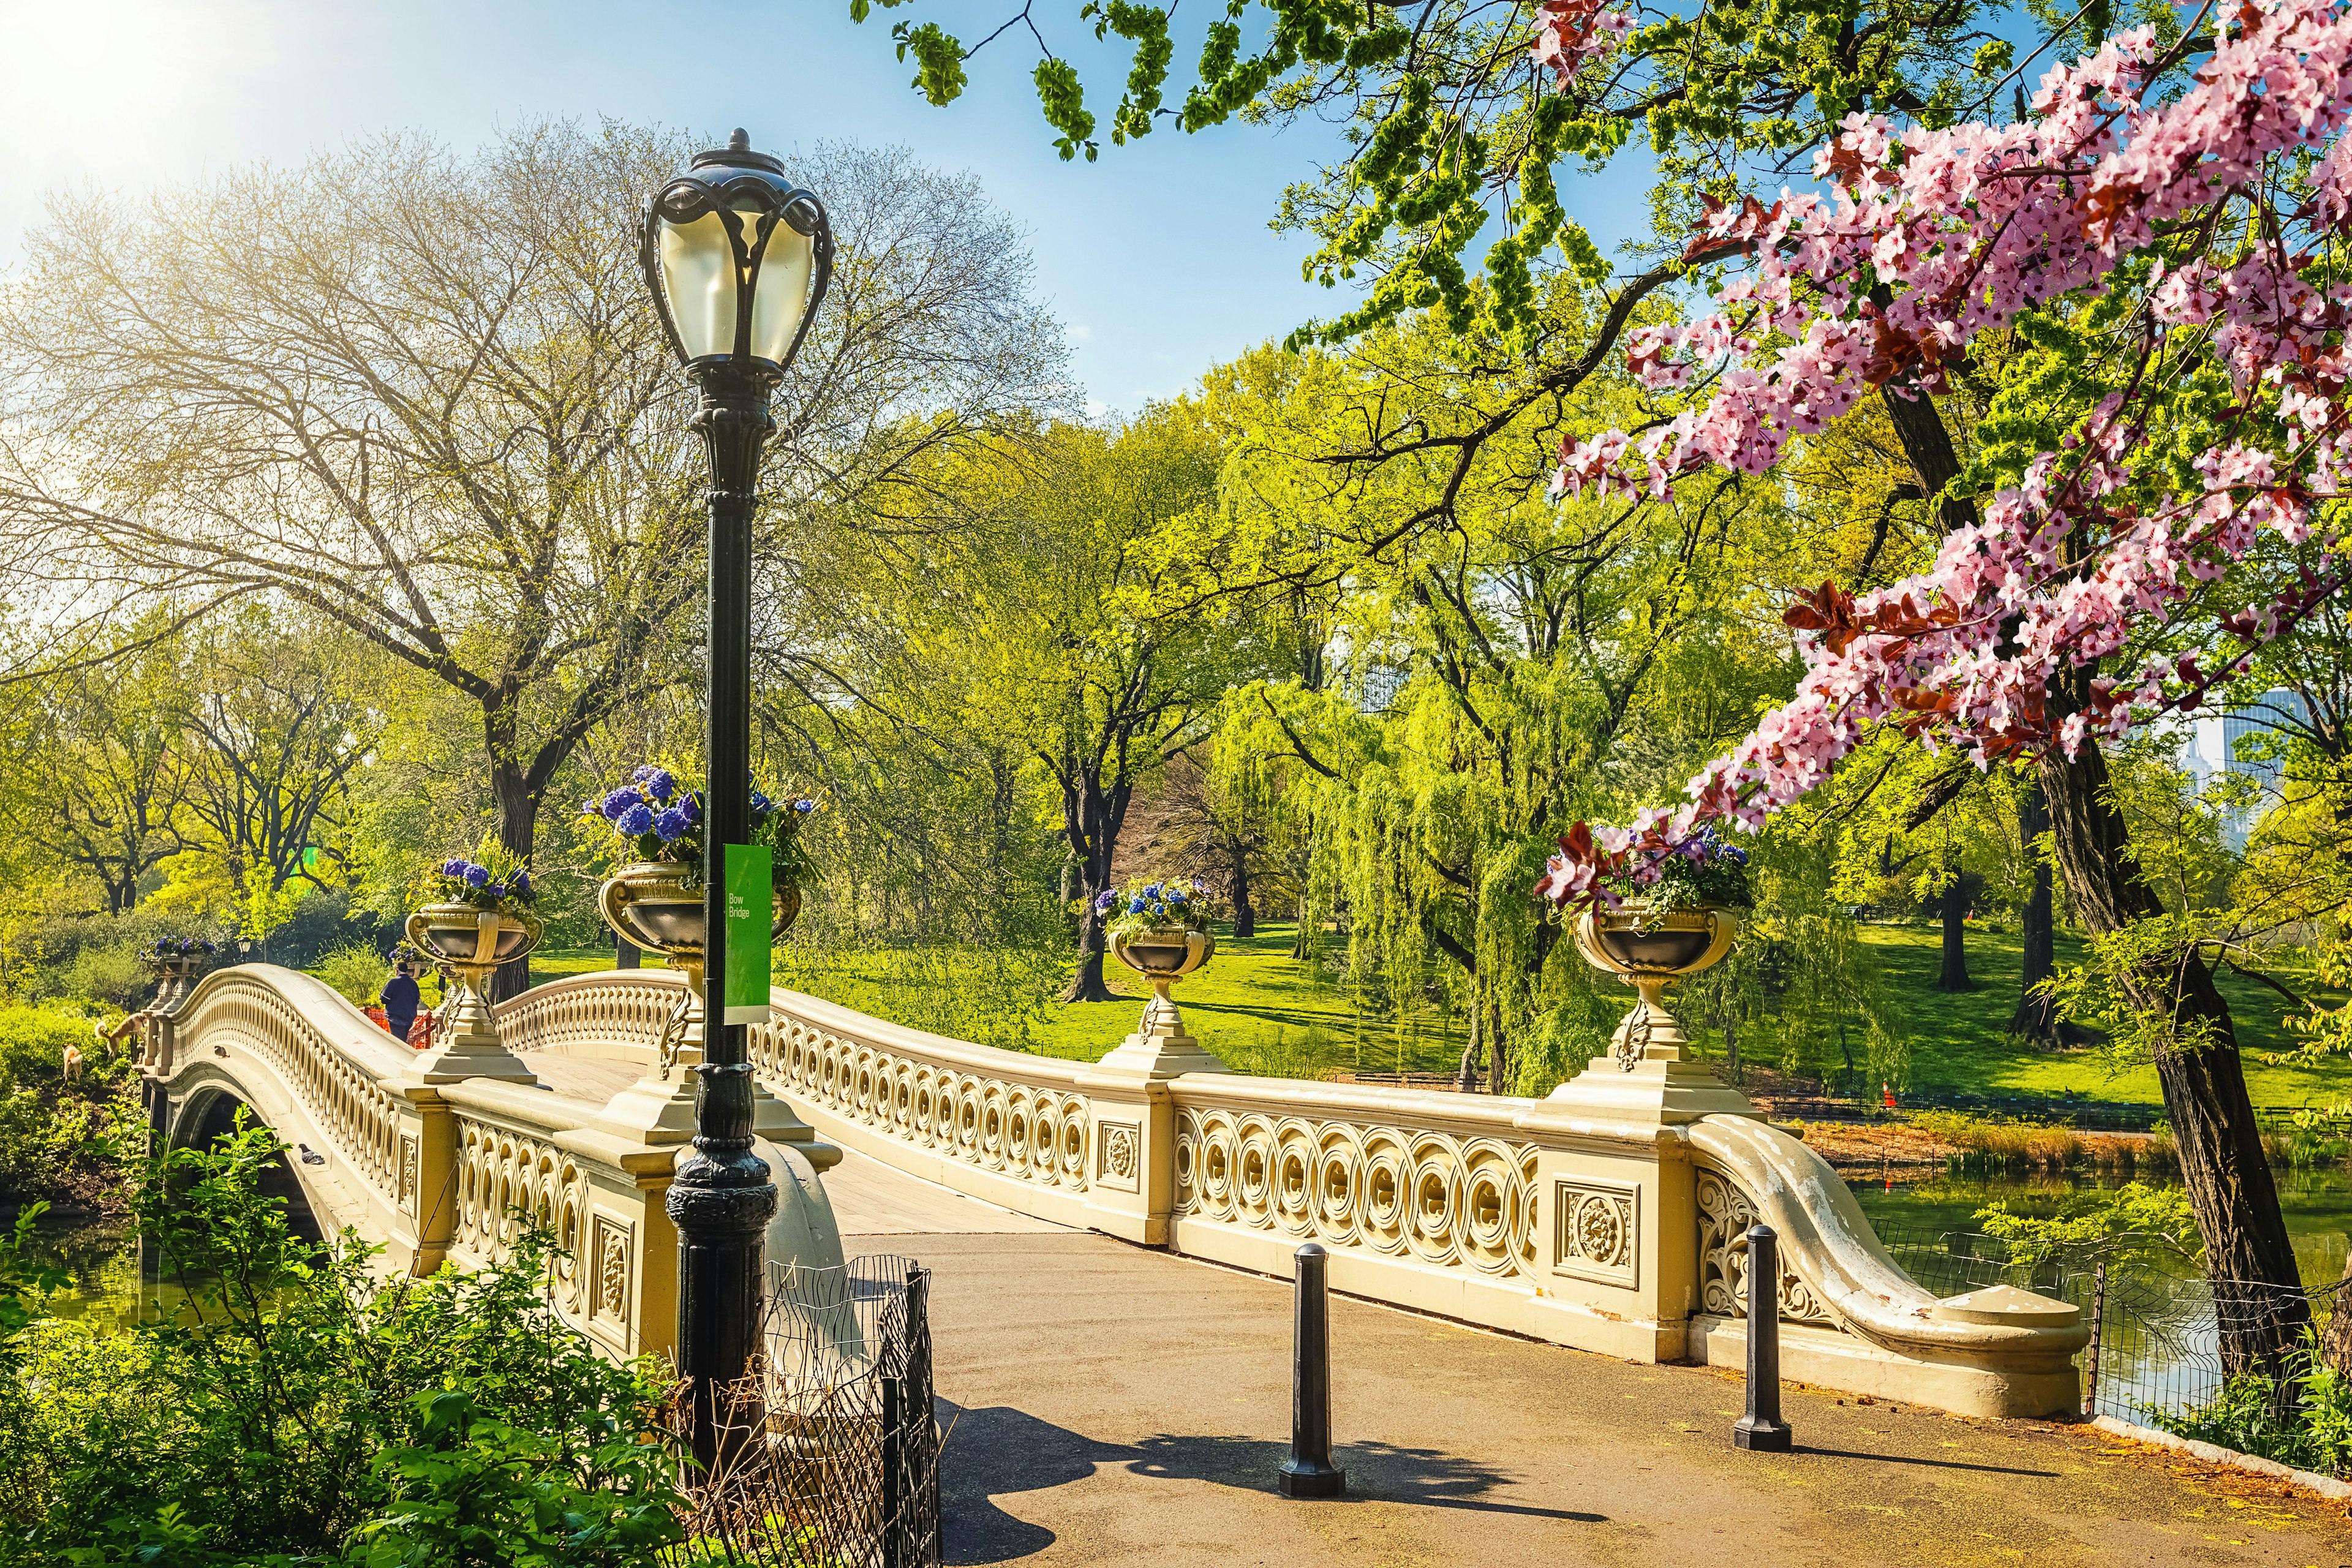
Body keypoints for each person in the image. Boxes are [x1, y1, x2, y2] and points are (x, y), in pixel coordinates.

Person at [381, 959, 421, 1044]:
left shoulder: (393, 982)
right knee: (402, 1040)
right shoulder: (413, 984)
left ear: (397, 969)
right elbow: (417, 1000)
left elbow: (384, 999)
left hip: (395, 1017)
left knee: (398, 1044)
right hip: (409, 1017)